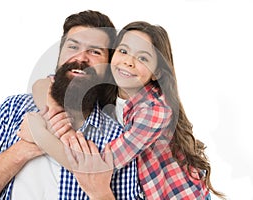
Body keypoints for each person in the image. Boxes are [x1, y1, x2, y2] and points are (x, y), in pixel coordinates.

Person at [0, 10, 141, 200]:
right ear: (60, 55)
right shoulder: (13, 110)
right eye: (73, 46)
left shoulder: (117, 139)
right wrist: (26, 147)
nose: (81, 57)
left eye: (95, 51)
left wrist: (100, 191)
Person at [34, 21, 225, 199]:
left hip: (177, 194)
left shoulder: (155, 111)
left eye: (142, 57)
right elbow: (45, 83)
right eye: (123, 51)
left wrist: (41, 135)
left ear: (156, 72)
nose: (129, 62)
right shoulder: (106, 84)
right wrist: (52, 107)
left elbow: (101, 165)